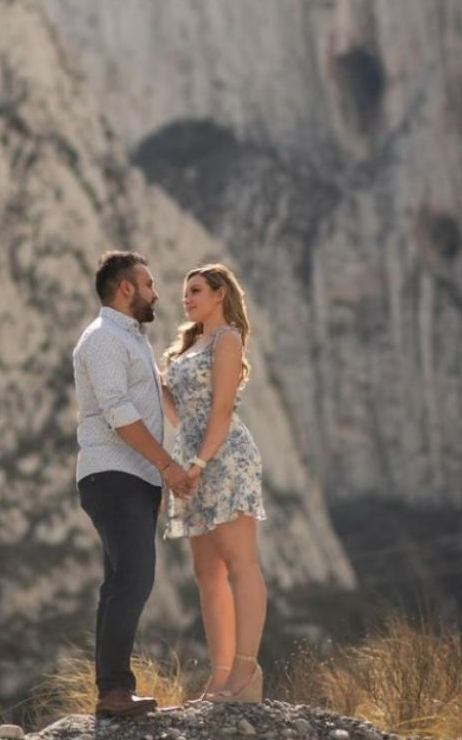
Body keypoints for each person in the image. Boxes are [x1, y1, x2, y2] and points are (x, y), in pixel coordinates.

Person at [73, 250, 194, 718]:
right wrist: (167, 467)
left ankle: (114, 689)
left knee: (119, 583)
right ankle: (114, 692)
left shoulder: (131, 339)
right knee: (134, 580)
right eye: (148, 284)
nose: (156, 294)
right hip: (113, 475)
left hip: (133, 478)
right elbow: (119, 413)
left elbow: (150, 402)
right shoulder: (104, 339)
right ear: (126, 288)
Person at [162, 264, 267, 703]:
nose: (186, 298)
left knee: (242, 564)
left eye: (196, 290)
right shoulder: (190, 345)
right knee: (207, 573)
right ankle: (220, 675)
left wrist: (200, 463)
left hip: (223, 458)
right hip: (192, 460)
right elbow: (181, 416)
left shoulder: (227, 339)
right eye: (185, 292)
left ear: (220, 293)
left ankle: (246, 670)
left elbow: (221, 410)